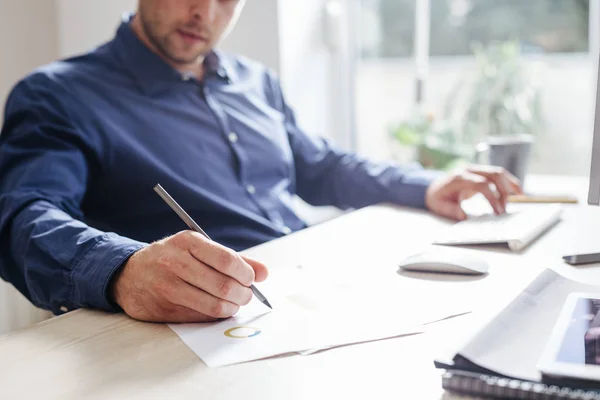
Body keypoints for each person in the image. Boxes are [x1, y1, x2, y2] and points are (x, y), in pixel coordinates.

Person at [0, 0, 522, 324]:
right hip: (209, 327)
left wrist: (426, 186)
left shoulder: (255, 81)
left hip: (315, 292)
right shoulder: (58, 95)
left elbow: (319, 165)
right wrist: (122, 269)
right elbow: (22, 216)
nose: (205, 12)